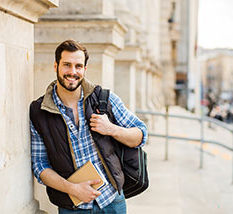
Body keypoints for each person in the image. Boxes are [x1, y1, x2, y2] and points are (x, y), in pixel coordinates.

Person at [29, 40, 148, 213]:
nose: (72, 72)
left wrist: (111, 129)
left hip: (112, 202)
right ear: (56, 66)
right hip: (72, 206)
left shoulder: (104, 98)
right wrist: (73, 189)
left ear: (85, 69)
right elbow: (40, 165)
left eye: (78, 66)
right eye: (67, 65)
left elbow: (141, 135)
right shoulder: (39, 111)